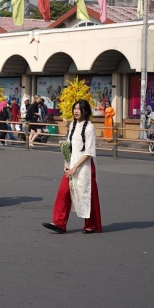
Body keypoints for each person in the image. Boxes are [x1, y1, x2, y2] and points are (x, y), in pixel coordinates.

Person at [43, 99, 102, 234]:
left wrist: (75, 167)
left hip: (85, 166)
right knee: (63, 192)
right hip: (71, 164)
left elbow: (89, 151)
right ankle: (59, 223)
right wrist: (66, 162)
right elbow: (68, 146)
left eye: (78, 109)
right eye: (74, 108)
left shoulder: (89, 127)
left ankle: (91, 224)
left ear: (85, 111)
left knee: (87, 195)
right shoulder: (73, 125)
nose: (76, 111)